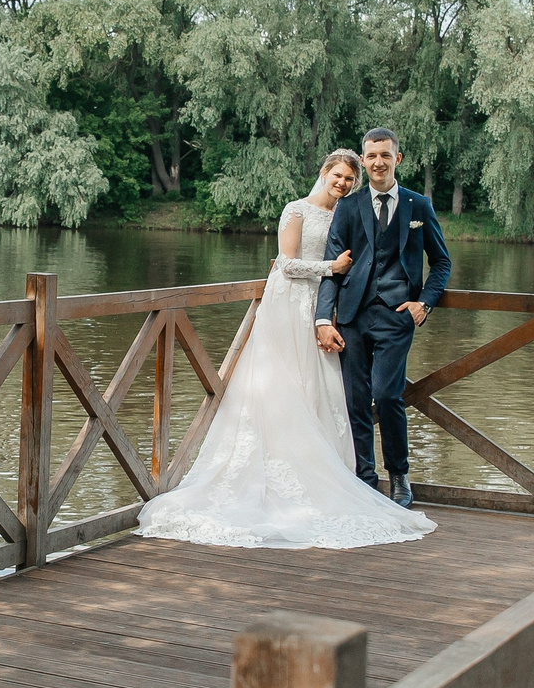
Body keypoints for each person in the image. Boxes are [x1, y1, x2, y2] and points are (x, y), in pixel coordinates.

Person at [137, 150, 434, 550]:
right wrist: (331, 268)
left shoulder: (350, 213)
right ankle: (280, 470)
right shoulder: (296, 210)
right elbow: (285, 263)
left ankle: (336, 474)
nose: (343, 183)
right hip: (292, 305)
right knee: (282, 386)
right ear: (324, 173)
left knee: (327, 392)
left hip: (331, 310)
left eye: (349, 178)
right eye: (338, 175)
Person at [314, 128, 454, 507]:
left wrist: (424, 303)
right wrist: (323, 319)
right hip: (353, 315)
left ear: (398, 158)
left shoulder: (418, 206)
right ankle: (364, 478)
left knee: (387, 395)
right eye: (371, 156)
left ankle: (399, 477)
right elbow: (332, 267)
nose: (378, 162)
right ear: (364, 159)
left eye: (385, 155)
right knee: (356, 400)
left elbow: (441, 262)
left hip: (397, 315)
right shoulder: (349, 205)